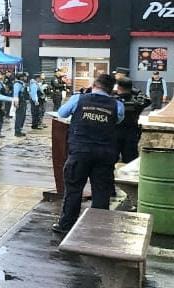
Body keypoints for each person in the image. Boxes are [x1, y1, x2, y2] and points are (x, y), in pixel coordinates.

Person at [53, 73, 125, 234]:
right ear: (111, 89)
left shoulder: (79, 99)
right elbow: (118, 119)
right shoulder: (117, 104)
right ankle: (97, 228)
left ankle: (66, 225)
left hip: (80, 151)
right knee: (101, 191)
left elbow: (62, 113)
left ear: (94, 85)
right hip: (105, 153)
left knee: (74, 189)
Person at [115, 75, 150, 164]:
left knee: (110, 160)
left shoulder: (114, 100)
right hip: (131, 133)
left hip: (114, 132)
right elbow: (147, 99)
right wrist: (136, 91)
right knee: (130, 161)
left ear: (118, 87)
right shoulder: (137, 102)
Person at [12, 72, 29, 136]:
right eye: (24, 76)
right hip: (20, 102)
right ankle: (17, 131)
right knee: (19, 117)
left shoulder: (22, 83)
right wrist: (16, 102)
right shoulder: (17, 84)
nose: (26, 78)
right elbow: (15, 94)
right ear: (21, 77)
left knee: (22, 117)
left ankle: (20, 129)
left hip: (23, 101)